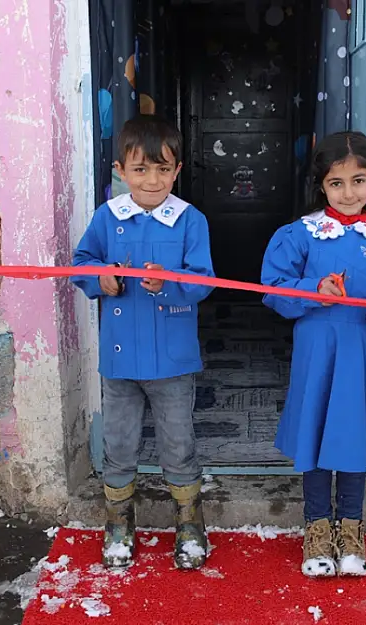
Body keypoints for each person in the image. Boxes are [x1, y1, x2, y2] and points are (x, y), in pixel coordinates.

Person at [260, 131, 366, 578]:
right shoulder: (300, 234)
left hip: (361, 352)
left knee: (350, 439)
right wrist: (314, 290)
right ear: (321, 185)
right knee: (314, 436)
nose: (348, 193)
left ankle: (350, 527)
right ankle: (316, 527)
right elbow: (273, 289)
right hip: (317, 352)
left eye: (358, 180)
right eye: (336, 183)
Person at [71, 115, 216, 570]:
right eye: (140, 169)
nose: (151, 180)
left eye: (162, 169)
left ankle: (189, 521)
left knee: (179, 443)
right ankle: (118, 521)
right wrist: (102, 279)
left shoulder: (191, 220)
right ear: (120, 170)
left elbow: (204, 280)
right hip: (120, 361)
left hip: (173, 361)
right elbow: (81, 264)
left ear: (176, 171)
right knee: (119, 443)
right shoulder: (107, 218)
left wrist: (169, 284)